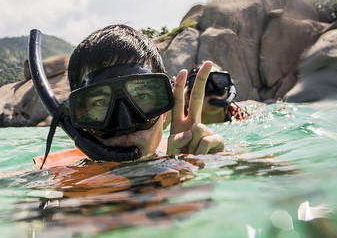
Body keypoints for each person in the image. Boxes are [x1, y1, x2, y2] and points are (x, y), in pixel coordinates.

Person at [28, 25, 225, 169]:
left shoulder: (189, 152)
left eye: (142, 96)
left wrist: (201, 165)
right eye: (100, 102)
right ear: (78, 121)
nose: (125, 123)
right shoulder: (49, 182)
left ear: (166, 110)